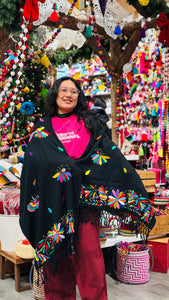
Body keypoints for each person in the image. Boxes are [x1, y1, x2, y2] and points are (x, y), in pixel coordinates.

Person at [19, 76, 155, 300]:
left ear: (79, 96)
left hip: (85, 205)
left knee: (90, 259)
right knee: (58, 261)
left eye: (74, 91)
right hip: (55, 205)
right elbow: (34, 164)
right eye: (63, 90)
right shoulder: (42, 127)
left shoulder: (89, 122)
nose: (68, 95)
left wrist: (132, 186)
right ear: (55, 93)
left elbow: (109, 155)